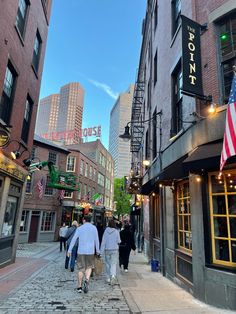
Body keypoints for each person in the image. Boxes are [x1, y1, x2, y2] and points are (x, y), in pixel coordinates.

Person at [68, 215, 100, 293]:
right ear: (90, 220)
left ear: (83, 220)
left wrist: (69, 250)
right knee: (89, 267)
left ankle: (79, 286)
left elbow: (74, 239)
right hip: (90, 251)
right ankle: (86, 280)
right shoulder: (94, 228)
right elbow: (97, 240)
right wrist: (98, 251)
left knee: (80, 269)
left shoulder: (80, 228)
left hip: (81, 251)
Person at [100, 219, 121, 285]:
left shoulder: (106, 231)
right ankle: (113, 276)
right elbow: (119, 241)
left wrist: (101, 252)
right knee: (113, 264)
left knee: (107, 264)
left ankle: (108, 278)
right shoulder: (116, 231)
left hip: (107, 250)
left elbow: (103, 242)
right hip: (114, 249)